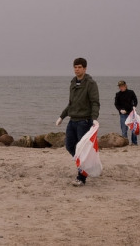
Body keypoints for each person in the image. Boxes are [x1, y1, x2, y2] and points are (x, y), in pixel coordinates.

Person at [56, 57, 100, 186]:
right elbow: (71, 103)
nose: (77, 69)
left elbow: (95, 103)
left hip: (84, 122)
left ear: (85, 68)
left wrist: (94, 118)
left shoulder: (91, 84)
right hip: (72, 121)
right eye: (75, 67)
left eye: (79, 67)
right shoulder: (73, 83)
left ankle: (81, 177)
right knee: (70, 146)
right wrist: (62, 116)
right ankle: (83, 164)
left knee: (83, 150)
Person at [114, 80, 138, 145]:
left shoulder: (131, 92)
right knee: (124, 130)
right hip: (123, 114)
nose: (121, 88)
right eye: (120, 86)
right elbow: (116, 104)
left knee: (133, 129)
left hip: (131, 113)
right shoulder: (118, 94)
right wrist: (120, 110)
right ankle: (125, 143)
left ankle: (134, 143)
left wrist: (134, 106)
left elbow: (135, 100)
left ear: (125, 86)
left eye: (122, 86)